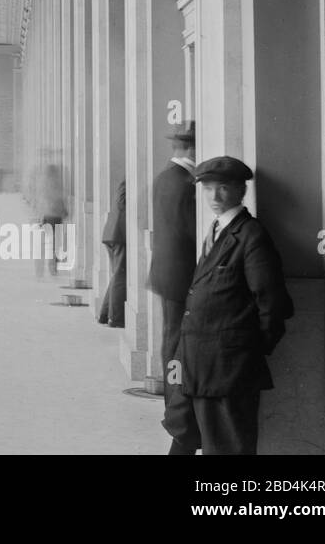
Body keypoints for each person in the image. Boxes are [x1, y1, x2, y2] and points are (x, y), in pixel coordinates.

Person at [164, 156, 294, 456]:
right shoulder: (217, 229)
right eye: (207, 189)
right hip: (196, 363)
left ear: (240, 191)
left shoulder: (251, 235)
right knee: (182, 433)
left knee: (227, 447)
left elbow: (273, 304)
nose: (214, 197)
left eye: (223, 188)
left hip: (227, 369)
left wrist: (245, 353)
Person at [149, 121, 197, 440]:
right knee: (176, 340)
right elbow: (192, 232)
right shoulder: (186, 183)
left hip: (166, 270)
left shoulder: (165, 176)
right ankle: (174, 402)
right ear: (192, 148)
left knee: (170, 335)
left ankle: (172, 399)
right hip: (182, 272)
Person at [26, 150, 68, 277]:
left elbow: (34, 195)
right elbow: (59, 198)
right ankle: (52, 267)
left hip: (44, 215)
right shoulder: (54, 183)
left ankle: (40, 269)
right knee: (54, 243)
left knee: (42, 243)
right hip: (54, 216)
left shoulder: (41, 181)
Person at [98, 177, 126, 328]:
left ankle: (105, 313)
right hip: (118, 235)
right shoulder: (129, 180)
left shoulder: (126, 181)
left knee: (117, 275)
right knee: (120, 276)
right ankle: (116, 318)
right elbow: (122, 204)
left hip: (114, 234)